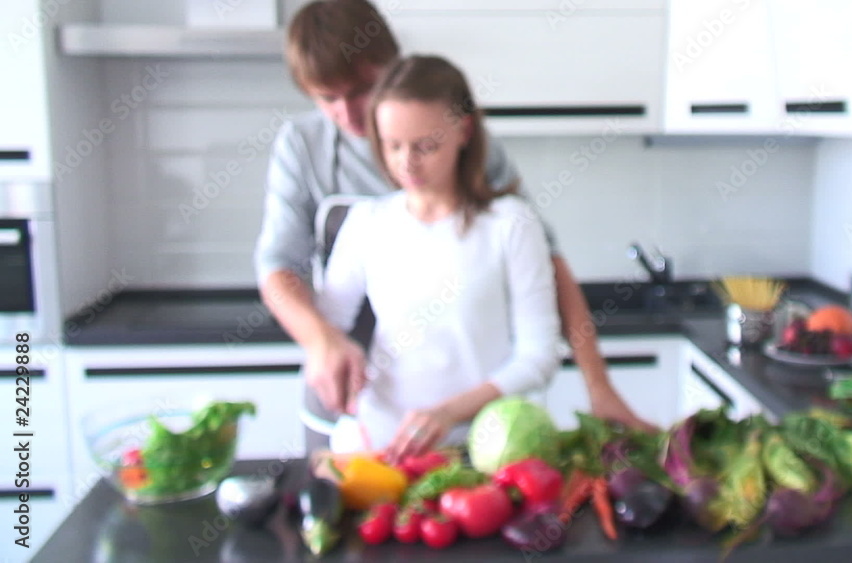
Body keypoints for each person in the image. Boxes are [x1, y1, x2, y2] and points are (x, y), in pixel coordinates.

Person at [254, 0, 655, 456]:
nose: (348, 114)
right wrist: (322, 341)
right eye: (327, 98)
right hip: (350, 402)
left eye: (361, 90)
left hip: (469, 428)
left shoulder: (494, 203)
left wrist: (598, 386)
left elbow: (544, 265)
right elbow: (279, 269)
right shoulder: (307, 152)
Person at [317, 54, 560, 458]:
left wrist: (449, 413)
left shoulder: (511, 225)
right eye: (392, 145)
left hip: (481, 449)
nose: (406, 162)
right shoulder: (366, 223)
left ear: (464, 130)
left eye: (425, 146)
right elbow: (329, 326)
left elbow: (539, 356)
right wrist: (335, 355)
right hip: (382, 445)